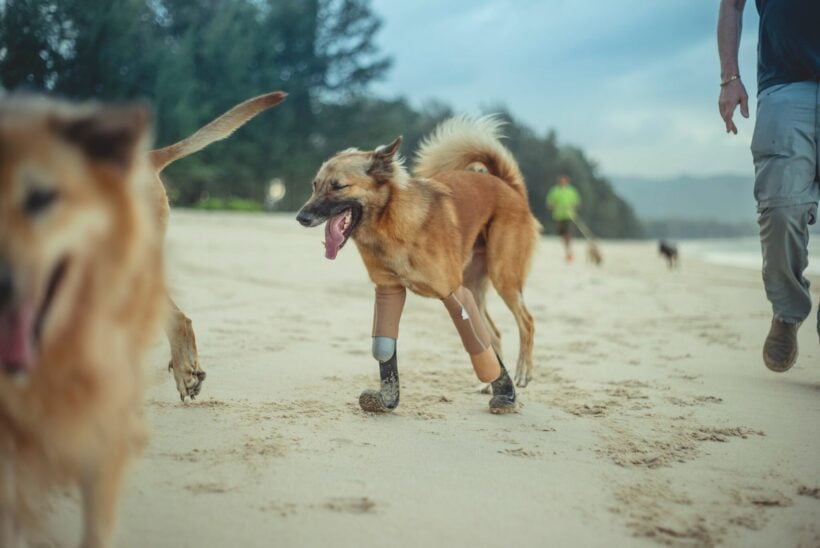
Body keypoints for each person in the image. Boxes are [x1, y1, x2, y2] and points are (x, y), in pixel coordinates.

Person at [718, 0, 820, 371]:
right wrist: (730, 77)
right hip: (785, 83)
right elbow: (731, 5)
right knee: (779, 210)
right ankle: (788, 310)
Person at [546, 174, 581, 262]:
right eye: (561, 180)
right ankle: (567, 249)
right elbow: (549, 204)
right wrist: (554, 206)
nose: (562, 182)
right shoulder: (554, 191)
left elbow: (577, 203)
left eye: (564, 180)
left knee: (568, 233)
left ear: (567, 181)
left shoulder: (571, 191)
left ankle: (569, 252)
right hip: (558, 216)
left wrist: (572, 206)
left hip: (569, 216)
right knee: (562, 235)